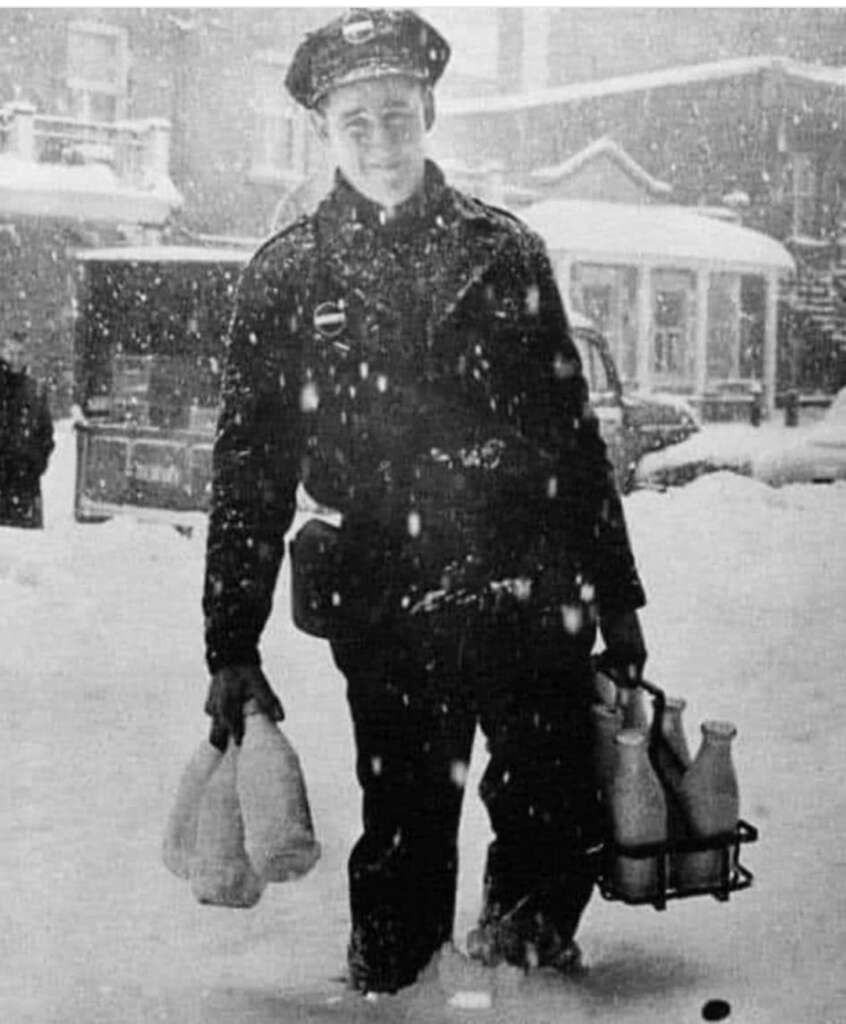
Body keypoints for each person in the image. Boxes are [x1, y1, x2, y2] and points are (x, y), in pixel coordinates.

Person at [202, 7, 648, 995]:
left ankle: (529, 982)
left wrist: (617, 599)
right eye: (356, 121)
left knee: (551, 808)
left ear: (430, 112)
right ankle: (396, 998)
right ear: (327, 130)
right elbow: (250, 470)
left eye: (397, 115)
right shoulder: (288, 276)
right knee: (405, 826)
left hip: (532, 582)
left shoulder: (507, 253)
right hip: (389, 597)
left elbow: (576, 441)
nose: (380, 140)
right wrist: (231, 640)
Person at [0, 329, 54, 528]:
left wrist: (37, 463)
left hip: (26, 485)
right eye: (11, 353)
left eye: (20, 353)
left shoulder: (35, 390)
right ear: (2, 352)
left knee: (27, 552)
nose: (15, 359)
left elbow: (46, 434)